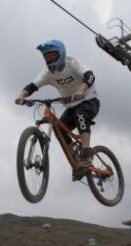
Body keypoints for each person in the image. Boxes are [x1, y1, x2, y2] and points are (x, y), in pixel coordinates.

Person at [15, 39, 100, 168]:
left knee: (80, 114)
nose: (49, 60)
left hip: (90, 101)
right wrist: (22, 95)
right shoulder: (48, 72)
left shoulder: (72, 63)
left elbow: (90, 75)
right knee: (58, 128)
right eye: (46, 58)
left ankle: (86, 152)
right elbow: (32, 85)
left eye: (52, 56)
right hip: (71, 105)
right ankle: (75, 160)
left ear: (61, 53)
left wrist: (81, 90)